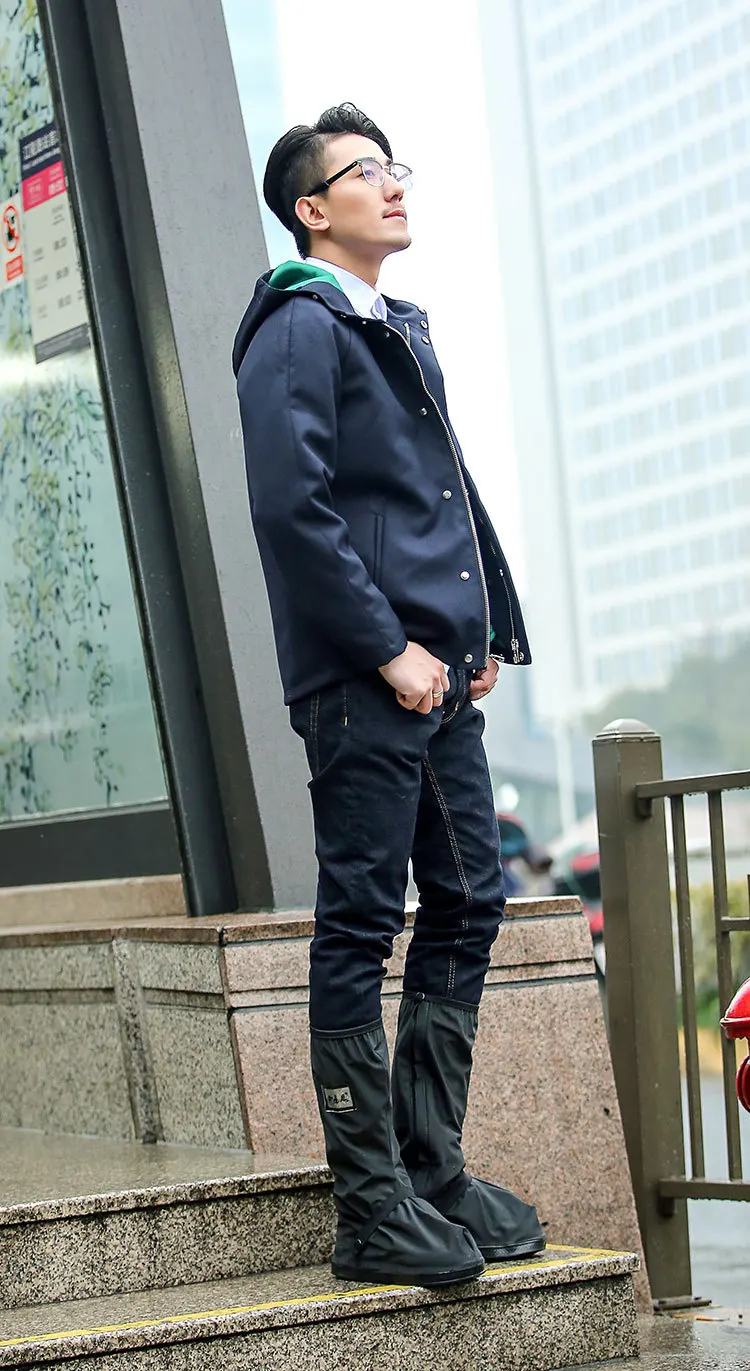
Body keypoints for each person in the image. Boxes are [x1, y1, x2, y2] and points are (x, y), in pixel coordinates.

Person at [232, 103, 544, 1287]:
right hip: (366, 681)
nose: (393, 184)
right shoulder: (297, 325)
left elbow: (436, 492)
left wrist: (479, 627)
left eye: (393, 166)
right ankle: (370, 1207)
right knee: (362, 920)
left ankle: (428, 1167)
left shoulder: (387, 323)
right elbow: (293, 511)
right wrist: (389, 650)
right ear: (313, 210)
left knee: (468, 895)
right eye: (367, 172)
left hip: (435, 675)